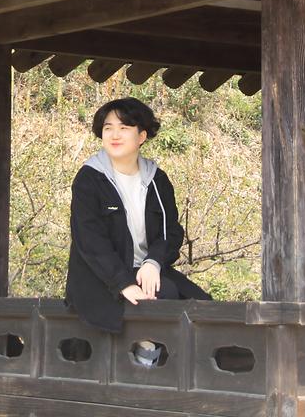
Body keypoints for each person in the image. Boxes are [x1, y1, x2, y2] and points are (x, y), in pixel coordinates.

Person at [65, 96, 211, 333]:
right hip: (101, 277)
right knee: (162, 296)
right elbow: (90, 240)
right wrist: (123, 284)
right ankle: (147, 354)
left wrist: (153, 262)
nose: (114, 135)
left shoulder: (157, 179)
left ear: (141, 136)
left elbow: (170, 231)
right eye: (108, 128)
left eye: (124, 128)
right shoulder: (89, 179)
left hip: (146, 271)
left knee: (205, 307)